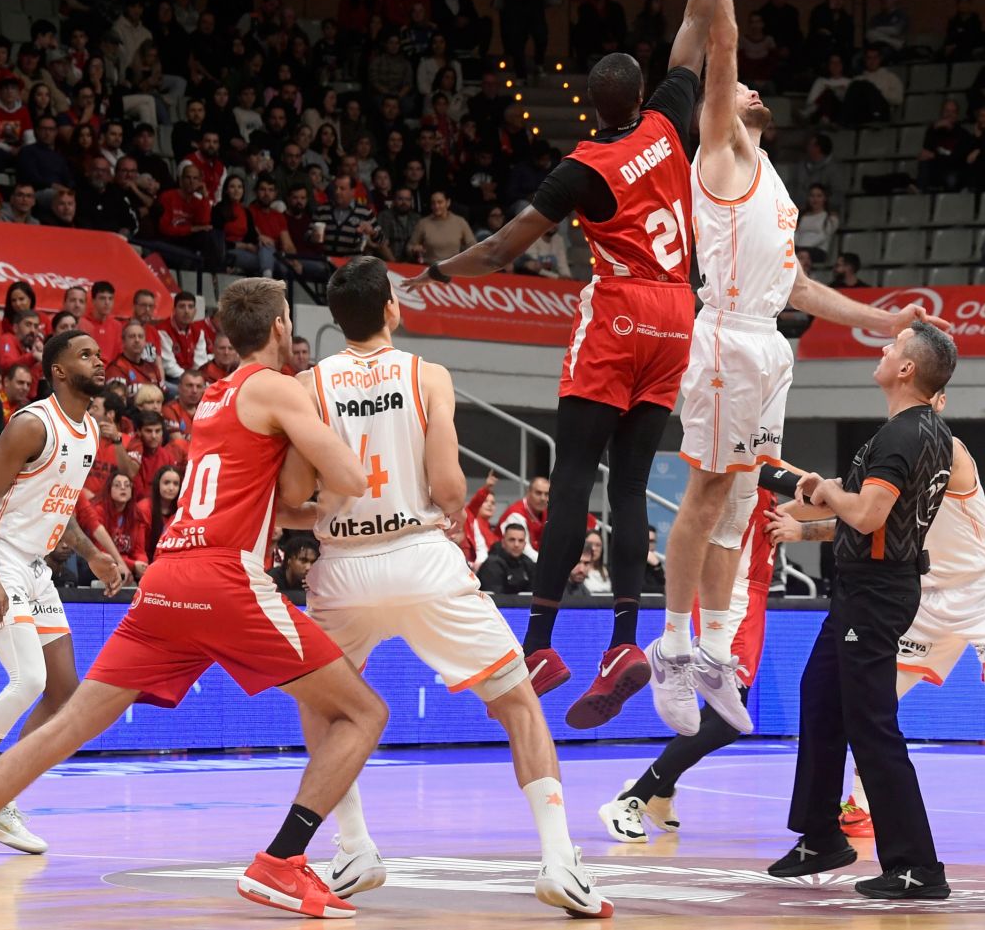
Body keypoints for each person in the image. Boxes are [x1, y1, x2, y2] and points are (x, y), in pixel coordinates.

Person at [0, 280, 380, 919]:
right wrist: (339, 468)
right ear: (283, 328)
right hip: (225, 579)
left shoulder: (214, 399)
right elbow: (353, 478)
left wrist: (307, 502)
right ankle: (282, 861)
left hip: (168, 578)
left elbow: (273, 503)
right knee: (363, 714)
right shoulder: (281, 388)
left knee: (64, 726)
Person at [398, 0, 735, 728]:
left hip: (621, 309)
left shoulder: (583, 163)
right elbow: (698, 23)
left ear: (593, 103)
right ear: (648, 95)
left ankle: (541, 637)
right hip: (679, 316)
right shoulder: (670, 125)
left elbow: (508, 246)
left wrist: (436, 274)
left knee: (573, 478)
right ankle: (627, 636)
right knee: (630, 491)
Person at [649, 0, 941, 742]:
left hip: (769, 345)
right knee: (704, 497)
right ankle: (673, 646)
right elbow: (721, 37)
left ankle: (712, 655)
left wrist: (880, 323)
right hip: (726, 341)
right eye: (737, 89)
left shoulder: (771, 183)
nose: (748, 90)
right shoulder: (720, 148)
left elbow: (799, 290)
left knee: (742, 509)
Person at [290, 258, 608, 913]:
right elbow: (451, 488)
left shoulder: (308, 383)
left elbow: (294, 496)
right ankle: (557, 860)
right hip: (419, 553)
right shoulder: (425, 375)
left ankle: (353, 845)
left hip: (342, 566)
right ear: (390, 310)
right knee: (518, 702)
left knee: (323, 705)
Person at [801, 427, 985, 849]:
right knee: (875, 699)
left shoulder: (948, 451)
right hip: (929, 599)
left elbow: (856, 506)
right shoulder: (886, 465)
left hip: (984, 593)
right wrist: (797, 522)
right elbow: (861, 517)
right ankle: (858, 803)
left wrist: (824, 499)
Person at [763, 322, 958, 900]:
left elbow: (869, 515)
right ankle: (822, 835)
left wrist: (824, 491)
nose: (882, 349)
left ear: (906, 370)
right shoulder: (928, 433)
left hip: (874, 595)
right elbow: (876, 521)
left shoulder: (901, 434)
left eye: (892, 347)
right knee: (819, 695)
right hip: (869, 586)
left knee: (872, 726)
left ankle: (918, 865)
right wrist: (809, 527)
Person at [0, 331, 130, 857]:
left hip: (34, 565)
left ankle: (0, 796)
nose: (97, 359)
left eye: (96, 352)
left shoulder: (87, 430)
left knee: (62, 689)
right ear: (57, 370)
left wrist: (91, 553)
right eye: (84, 354)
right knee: (29, 677)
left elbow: (57, 508)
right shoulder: (32, 424)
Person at [600, 490, 775, 845]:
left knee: (721, 716)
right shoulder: (749, 460)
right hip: (731, 594)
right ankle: (631, 799)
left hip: (751, 594)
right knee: (726, 721)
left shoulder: (766, 464)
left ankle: (660, 792)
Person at [477, 521, 537, 594]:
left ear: (525, 544)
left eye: (520, 541)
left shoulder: (528, 563)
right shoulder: (492, 564)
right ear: (503, 542)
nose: (516, 544)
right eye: (512, 540)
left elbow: (534, 594)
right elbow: (496, 598)